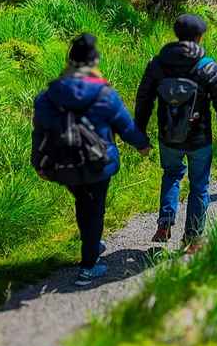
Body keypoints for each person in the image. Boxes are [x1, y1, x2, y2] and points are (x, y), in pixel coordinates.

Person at [31, 33, 150, 286]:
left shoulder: (47, 97)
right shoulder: (104, 94)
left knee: (83, 201)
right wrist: (142, 145)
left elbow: (39, 133)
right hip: (98, 163)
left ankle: (92, 243)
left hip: (62, 163)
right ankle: (88, 266)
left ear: (70, 61)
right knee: (94, 208)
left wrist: (39, 163)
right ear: (94, 61)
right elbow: (125, 127)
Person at [134, 14, 217, 251]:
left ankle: (165, 223)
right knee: (199, 185)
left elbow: (144, 100)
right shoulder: (207, 66)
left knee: (171, 175)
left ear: (177, 34)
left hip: (169, 136)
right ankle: (193, 239)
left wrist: (140, 134)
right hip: (199, 138)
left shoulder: (157, 64)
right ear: (200, 36)